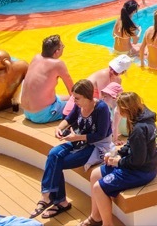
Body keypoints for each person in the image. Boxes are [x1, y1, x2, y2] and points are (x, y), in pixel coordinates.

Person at [31, 78, 113, 219]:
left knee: (58, 163)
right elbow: (69, 118)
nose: (73, 100)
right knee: (53, 154)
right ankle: (48, 196)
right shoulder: (79, 105)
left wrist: (76, 138)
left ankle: (58, 200)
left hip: (98, 145)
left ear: (88, 97)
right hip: (79, 140)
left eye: (77, 98)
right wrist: (59, 128)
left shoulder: (101, 108)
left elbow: (100, 135)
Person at [86, 92, 157, 226]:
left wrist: (118, 162)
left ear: (125, 110)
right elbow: (132, 146)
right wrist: (118, 153)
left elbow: (138, 161)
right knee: (95, 174)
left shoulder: (139, 129)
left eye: (118, 107)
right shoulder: (143, 118)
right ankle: (96, 216)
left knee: (99, 187)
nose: (117, 110)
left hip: (143, 171)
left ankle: (108, 224)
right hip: (145, 165)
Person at [20, 34, 74, 124]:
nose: (63, 48)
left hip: (27, 112)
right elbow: (72, 91)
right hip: (42, 115)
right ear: (57, 52)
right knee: (78, 104)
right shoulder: (58, 64)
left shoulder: (36, 58)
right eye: (62, 46)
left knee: (65, 97)